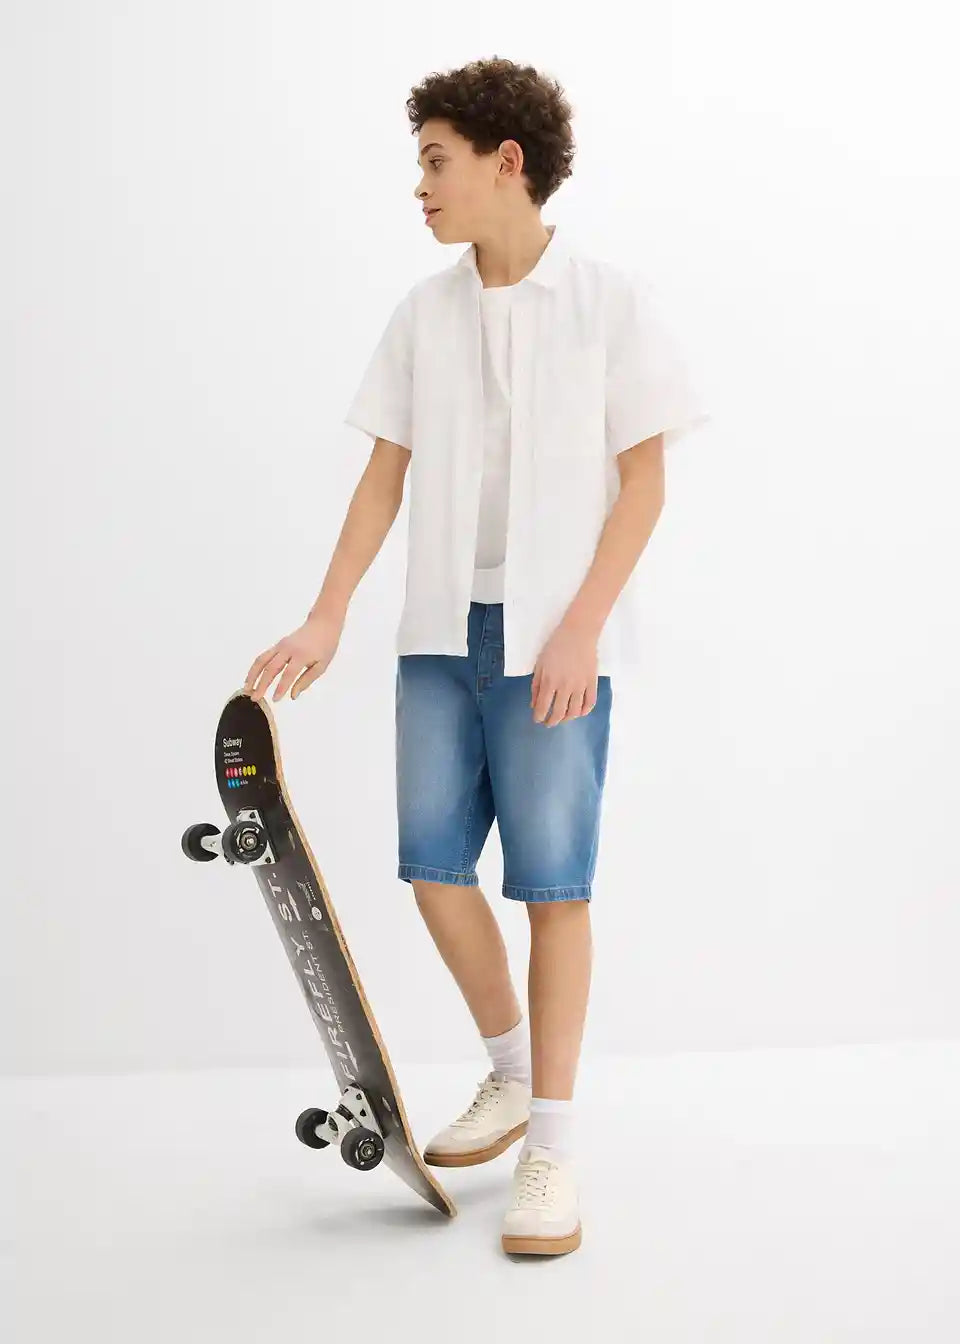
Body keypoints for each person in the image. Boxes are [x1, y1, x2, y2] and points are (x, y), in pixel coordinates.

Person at [244, 56, 707, 1257]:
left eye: (436, 161)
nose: (421, 186)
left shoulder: (613, 303)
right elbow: (382, 478)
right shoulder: (424, 313)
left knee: (554, 888)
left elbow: (644, 485)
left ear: (508, 163)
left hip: (556, 635)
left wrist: (582, 624)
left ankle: (553, 1144)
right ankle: (511, 1068)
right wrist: (327, 614)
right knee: (434, 871)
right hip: (440, 633)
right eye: (419, 164)